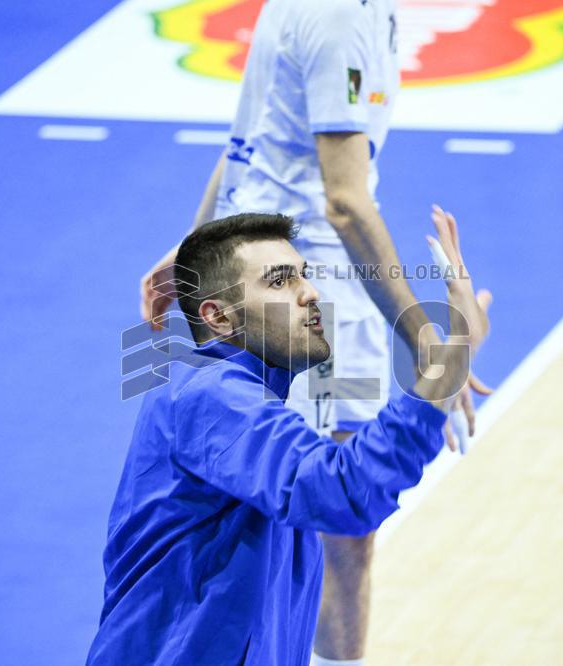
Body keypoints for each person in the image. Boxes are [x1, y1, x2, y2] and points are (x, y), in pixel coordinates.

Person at [139, 0, 491, 662]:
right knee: (318, 515)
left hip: (292, 275)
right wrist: (426, 342)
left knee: (329, 529)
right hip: (304, 292)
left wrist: (198, 243)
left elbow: (252, 131)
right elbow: (345, 202)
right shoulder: (338, 17)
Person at [94, 211, 489, 664]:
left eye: (304, 274)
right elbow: (343, 491)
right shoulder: (211, 399)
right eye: (280, 281)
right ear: (218, 316)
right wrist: (450, 362)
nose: (311, 293)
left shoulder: (246, 400)